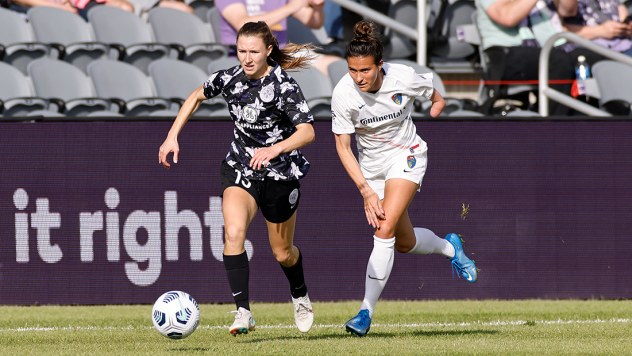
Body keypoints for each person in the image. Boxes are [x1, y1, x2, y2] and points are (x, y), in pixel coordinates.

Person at [158, 21, 317, 335]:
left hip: (279, 173)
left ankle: (299, 294)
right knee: (233, 232)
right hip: (241, 166)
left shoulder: (283, 85)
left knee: (282, 252)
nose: (246, 57)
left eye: (253, 51)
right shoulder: (229, 78)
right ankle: (243, 312)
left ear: (268, 51)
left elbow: (308, 131)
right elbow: (195, 96)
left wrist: (275, 149)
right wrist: (172, 136)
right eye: (241, 50)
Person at [331, 20, 478, 337]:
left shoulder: (403, 77)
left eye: (365, 71)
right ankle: (451, 248)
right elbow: (343, 148)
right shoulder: (343, 93)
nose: (358, 78)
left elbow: (437, 98)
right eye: (353, 71)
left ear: (380, 65)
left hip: (407, 157)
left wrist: (435, 112)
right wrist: (366, 191)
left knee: (384, 227)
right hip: (371, 171)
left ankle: (364, 313)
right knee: (404, 243)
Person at [475, 0, 604, 115]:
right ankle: (555, 128)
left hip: (553, 48)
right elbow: (507, 17)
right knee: (557, 61)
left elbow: (569, 11)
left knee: (596, 60)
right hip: (506, 55)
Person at [215, 0, 343, 76]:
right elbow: (242, 24)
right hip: (248, 57)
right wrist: (290, 8)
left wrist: (317, 8)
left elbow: (314, 23)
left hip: (282, 53)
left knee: (338, 66)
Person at [564, 0, 632, 56]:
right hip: (591, 49)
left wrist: (625, 27)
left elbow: (620, 6)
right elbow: (561, 30)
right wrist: (601, 31)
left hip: (624, 43)